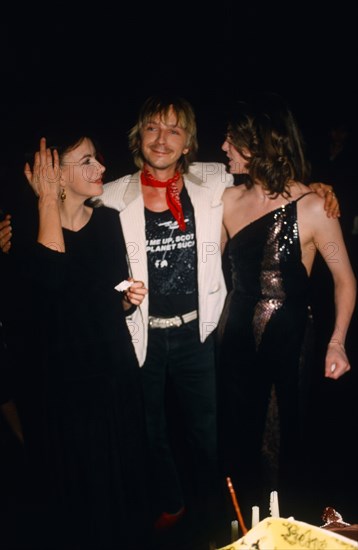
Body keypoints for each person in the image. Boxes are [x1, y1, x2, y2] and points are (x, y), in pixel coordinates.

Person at [0, 94, 340, 547]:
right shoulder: (114, 191)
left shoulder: (213, 180)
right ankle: (172, 501)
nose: (162, 139)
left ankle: (219, 509)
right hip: (141, 334)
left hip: (200, 332)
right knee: (149, 431)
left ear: (187, 144)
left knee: (209, 431)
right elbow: (65, 235)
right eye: (152, 129)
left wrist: (317, 187)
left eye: (174, 130)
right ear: (138, 138)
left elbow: (271, 182)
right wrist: (20, 227)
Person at [2, 135, 152, 549]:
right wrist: (48, 202)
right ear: (55, 176)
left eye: (97, 158)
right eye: (86, 160)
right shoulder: (20, 230)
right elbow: (50, 285)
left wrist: (124, 301)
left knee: (122, 486)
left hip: (113, 373)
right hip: (64, 385)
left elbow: (105, 299)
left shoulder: (108, 221)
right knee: (80, 498)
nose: (101, 167)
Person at [216, 94, 356, 525]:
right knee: (240, 436)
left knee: (282, 438)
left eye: (232, 141)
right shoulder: (225, 199)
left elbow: (345, 280)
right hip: (233, 337)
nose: (223, 147)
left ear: (258, 147)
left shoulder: (313, 206)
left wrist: (338, 343)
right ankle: (250, 526)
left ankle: (291, 525)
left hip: (291, 339)